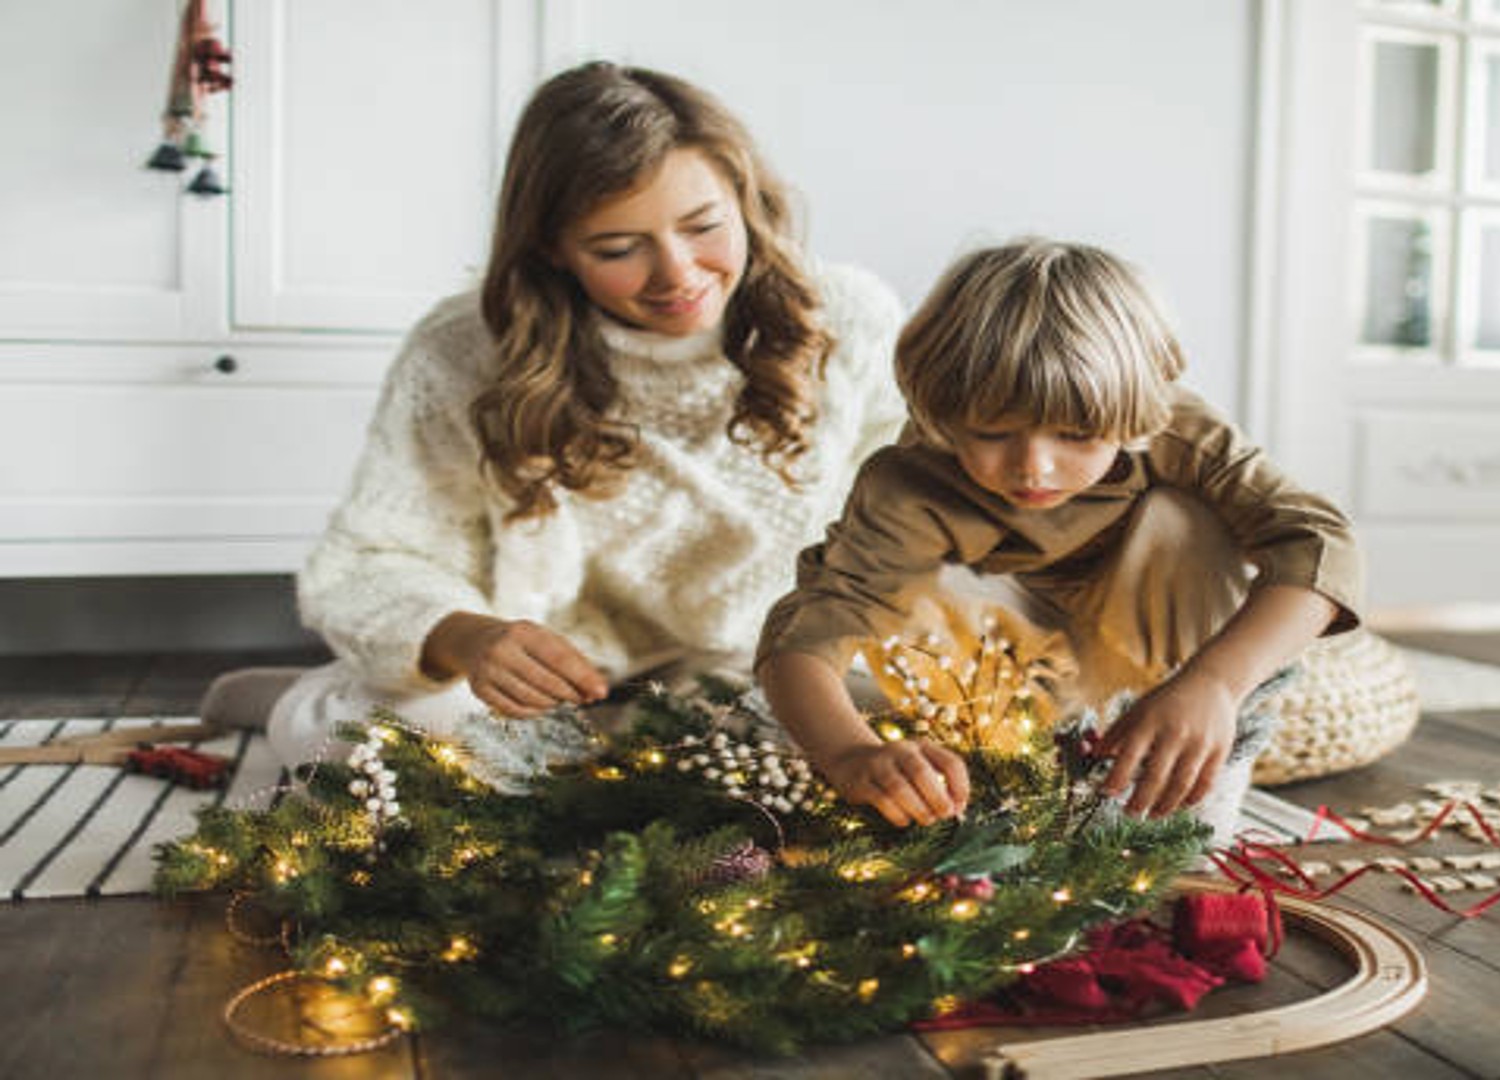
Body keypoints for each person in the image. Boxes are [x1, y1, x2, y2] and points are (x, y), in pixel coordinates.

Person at [201, 63, 906, 764]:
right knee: (349, 742)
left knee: (923, 724)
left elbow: (910, 523)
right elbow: (372, 558)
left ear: (745, 200)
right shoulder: (462, 351)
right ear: (552, 247)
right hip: (533, 671)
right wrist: (467, 637)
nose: (678, 274)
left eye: (702, 227)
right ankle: (318, 698)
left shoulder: (847, 319)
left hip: (757, 662)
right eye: (618, 248)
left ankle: (589, 755)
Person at [755, 238, 1364, 841]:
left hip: (1149, 663)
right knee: (901, 585)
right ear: (944, 411)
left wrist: (1216, 682)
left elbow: (1318, 541)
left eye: (1075, 435)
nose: (1033, 469)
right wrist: (848, 753)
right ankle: (1003, 780)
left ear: (1136, 412)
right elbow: (809, 634)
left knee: (1185, 522)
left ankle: (1188, 774)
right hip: (1005, 686)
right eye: (993, 432)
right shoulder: (907, 482)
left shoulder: (1178, 429)